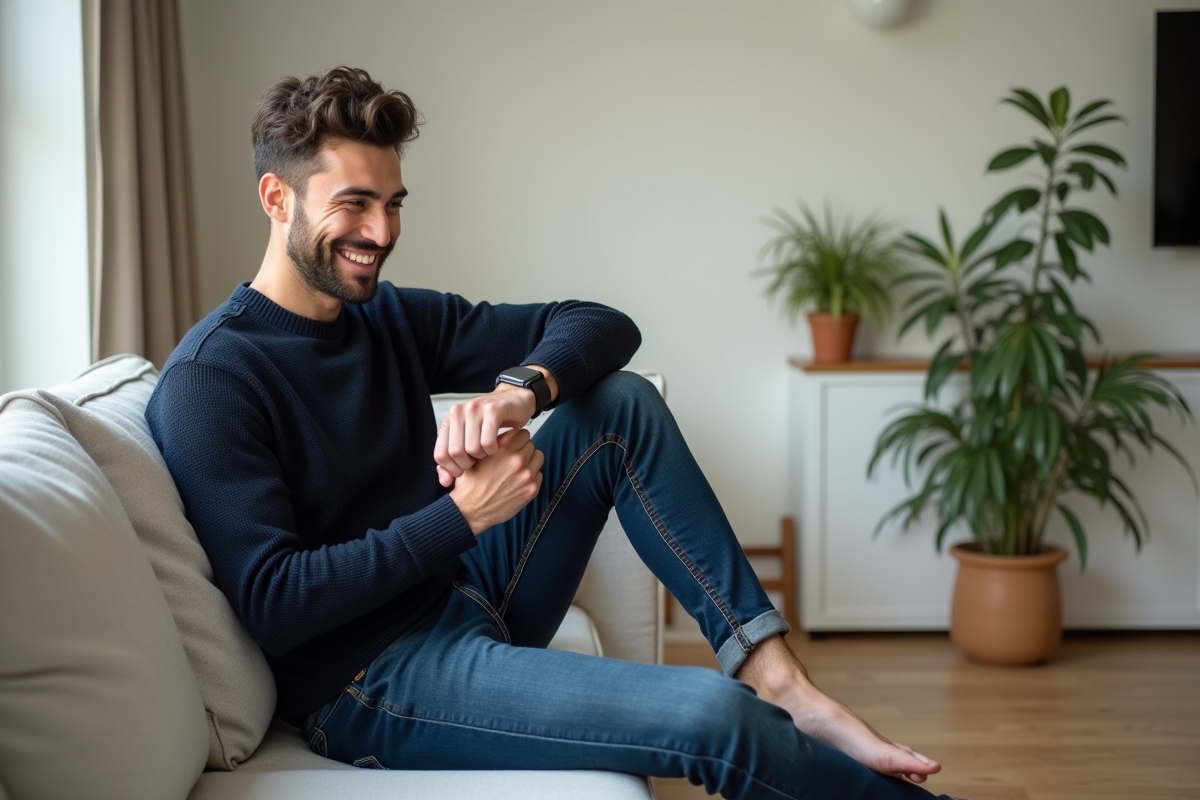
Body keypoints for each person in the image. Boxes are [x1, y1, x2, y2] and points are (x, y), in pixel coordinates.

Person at [147, 66, 960, 800]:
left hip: (464, 594)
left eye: (392, 203)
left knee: (621, 407)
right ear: (276, 198)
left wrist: (515, 394)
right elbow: (276, 604)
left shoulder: (387, 316)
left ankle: (779, 676)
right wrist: (462, 518)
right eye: (354, 204)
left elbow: (601, 323)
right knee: (714, 715)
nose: (382, 232)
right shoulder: (213, 381)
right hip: (371, 682)